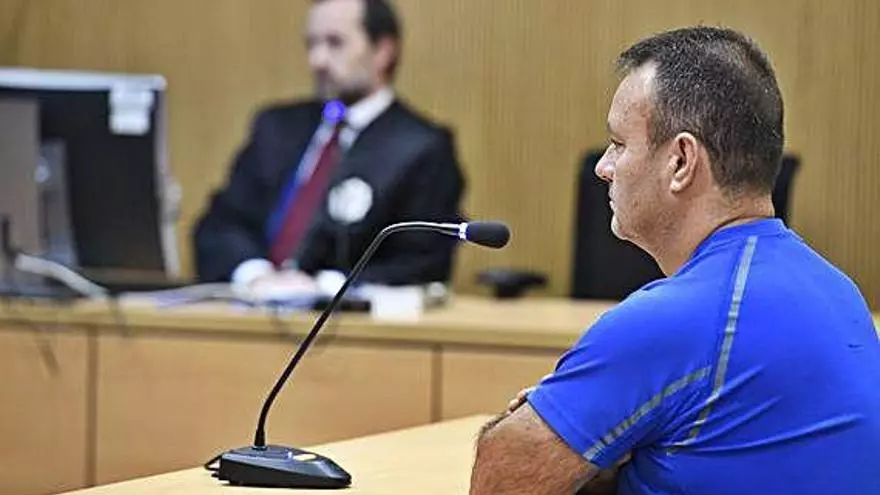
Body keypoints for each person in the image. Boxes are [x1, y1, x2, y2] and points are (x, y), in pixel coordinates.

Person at [470, 26, 880, 495]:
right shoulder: (840, 292)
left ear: (681, 161)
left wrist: (539, 424)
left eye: (618, 144)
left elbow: (500, 481)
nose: (603, 167)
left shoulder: (672, 320)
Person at [193, 0, 465, 295]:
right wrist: (256, 275)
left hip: (344, 315)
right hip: (250, 305)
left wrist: (322, 287)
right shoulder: (276, 127)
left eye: (335, 43)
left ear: (382, 52)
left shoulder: (422, 148)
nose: (317, 60)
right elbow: (221, 225)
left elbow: (422, 262)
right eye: (311, 44)